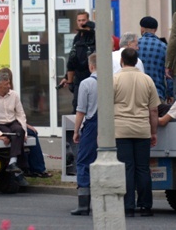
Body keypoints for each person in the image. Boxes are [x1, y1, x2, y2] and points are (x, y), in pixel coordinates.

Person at [113, 48, 160, 218]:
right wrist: (153, 131)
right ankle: (146, 206)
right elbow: (153, 110)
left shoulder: (115, 79)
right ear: (136, 61)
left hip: (121, 130)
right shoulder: (147, 80)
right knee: (143, 168)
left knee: (127, 168)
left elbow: (106, 106)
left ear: (121, 61)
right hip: (142, 129)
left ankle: (128, 206)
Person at [0, 72, 29, 174]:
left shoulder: (14, 95)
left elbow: (20, 114)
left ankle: (13, 162)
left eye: (9, 83)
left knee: (19, 131)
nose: (9, 86)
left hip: (12, 121)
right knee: (12, 135)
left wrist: (25, 132)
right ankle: (19, 165)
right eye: (6, 84)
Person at [71, 53, 98, 216]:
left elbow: (81, 110)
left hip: (91, 126)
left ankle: (83, 203)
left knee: (83, 162)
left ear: (91, 66)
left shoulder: (86, 83)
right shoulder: (112, 81)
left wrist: (76, 131)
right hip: (109, 125)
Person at [59, 12, 96, 112]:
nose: (81, 23)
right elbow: (72, 59)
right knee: (77, 104)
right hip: (78, 77)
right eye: (79, 21)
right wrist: (67, 77)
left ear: (88, 20)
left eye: (83, 20)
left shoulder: (94, 36)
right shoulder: (77, 37)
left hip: (91, 75)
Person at [137, 16, 171, 103]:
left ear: (142, 29)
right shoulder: (164, 47)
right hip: (157, 93)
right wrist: (170, 93)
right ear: (155, 29)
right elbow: (168, 73)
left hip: (137, 93)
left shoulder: (135, 45)